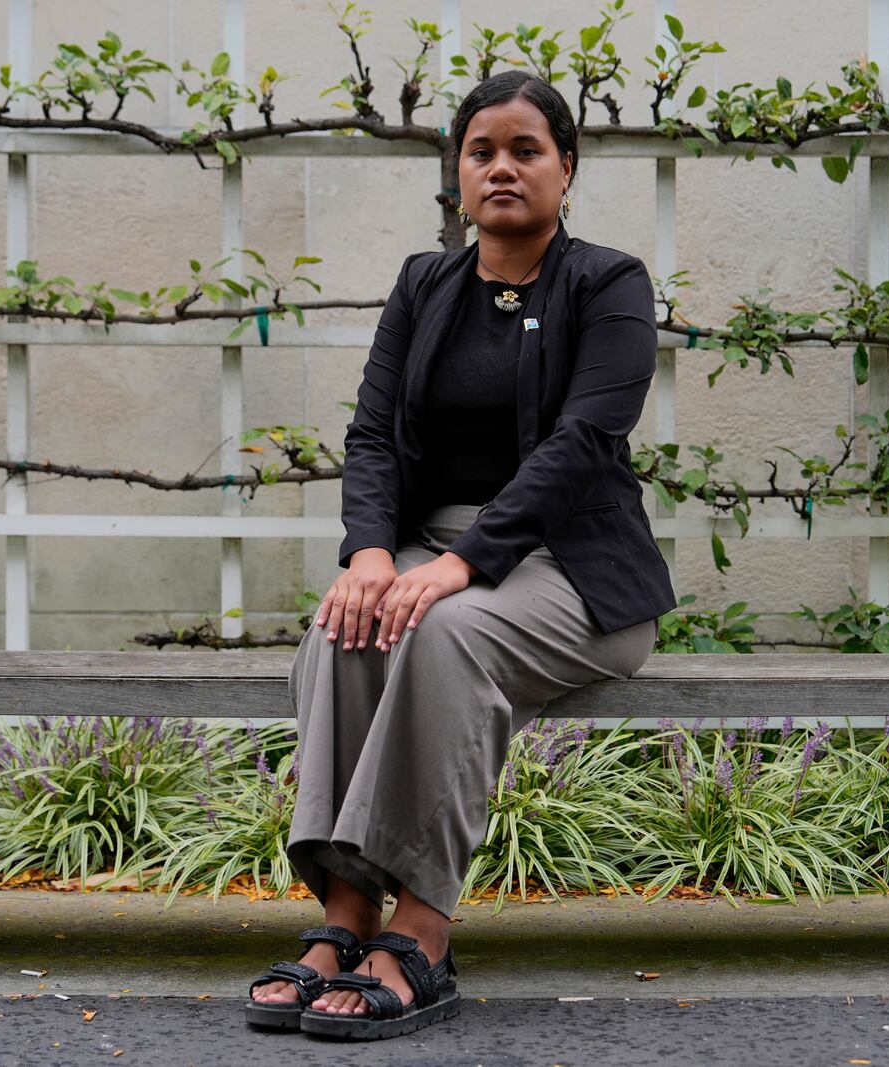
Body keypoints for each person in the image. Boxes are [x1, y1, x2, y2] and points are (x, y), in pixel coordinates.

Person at [245, 69, 676, 1041]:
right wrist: (367, 554)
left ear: (566, 167)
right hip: (428, 549)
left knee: (444, 635)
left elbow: (581, 445)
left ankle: (424, 928)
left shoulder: (608, 283)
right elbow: (371, 439)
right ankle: (345, 909)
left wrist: (461, 562)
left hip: (570, 566)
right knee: (342, 629)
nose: (502, 168)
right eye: (482, 150)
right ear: (458, 172)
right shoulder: (423, 282)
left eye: (526, 149)